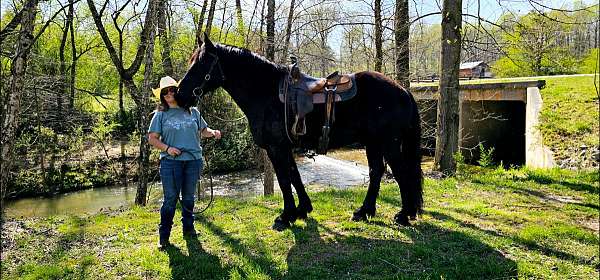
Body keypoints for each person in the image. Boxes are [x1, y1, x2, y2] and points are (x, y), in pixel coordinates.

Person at [147, 76, 221, 249]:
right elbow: (152, 138)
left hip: (193, 161)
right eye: (165, 92)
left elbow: (204, 131)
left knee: (188, 198)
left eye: (172, 89)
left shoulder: (193, 111)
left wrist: (213, 132)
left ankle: (189, 229)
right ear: (161, 95)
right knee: (170, 199)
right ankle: (164, 236)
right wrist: (167, 149)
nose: (169, 93)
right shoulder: (160, 115)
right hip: (171, 163)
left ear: (177, 91)